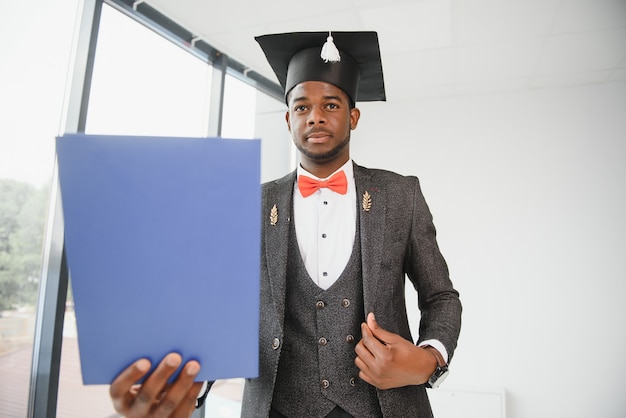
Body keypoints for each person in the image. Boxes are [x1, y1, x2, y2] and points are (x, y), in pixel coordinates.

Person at [109, 31, 462, 418]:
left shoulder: (400, 194)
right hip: (276, 407)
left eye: (331, 104)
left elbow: (441, 297)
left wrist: (429, 361)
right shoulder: (248, 204)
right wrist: (183, 387)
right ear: (287, 118)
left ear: (353, 116)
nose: (315, 116)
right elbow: (220, 310)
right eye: (301, 107)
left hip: (386, 406)